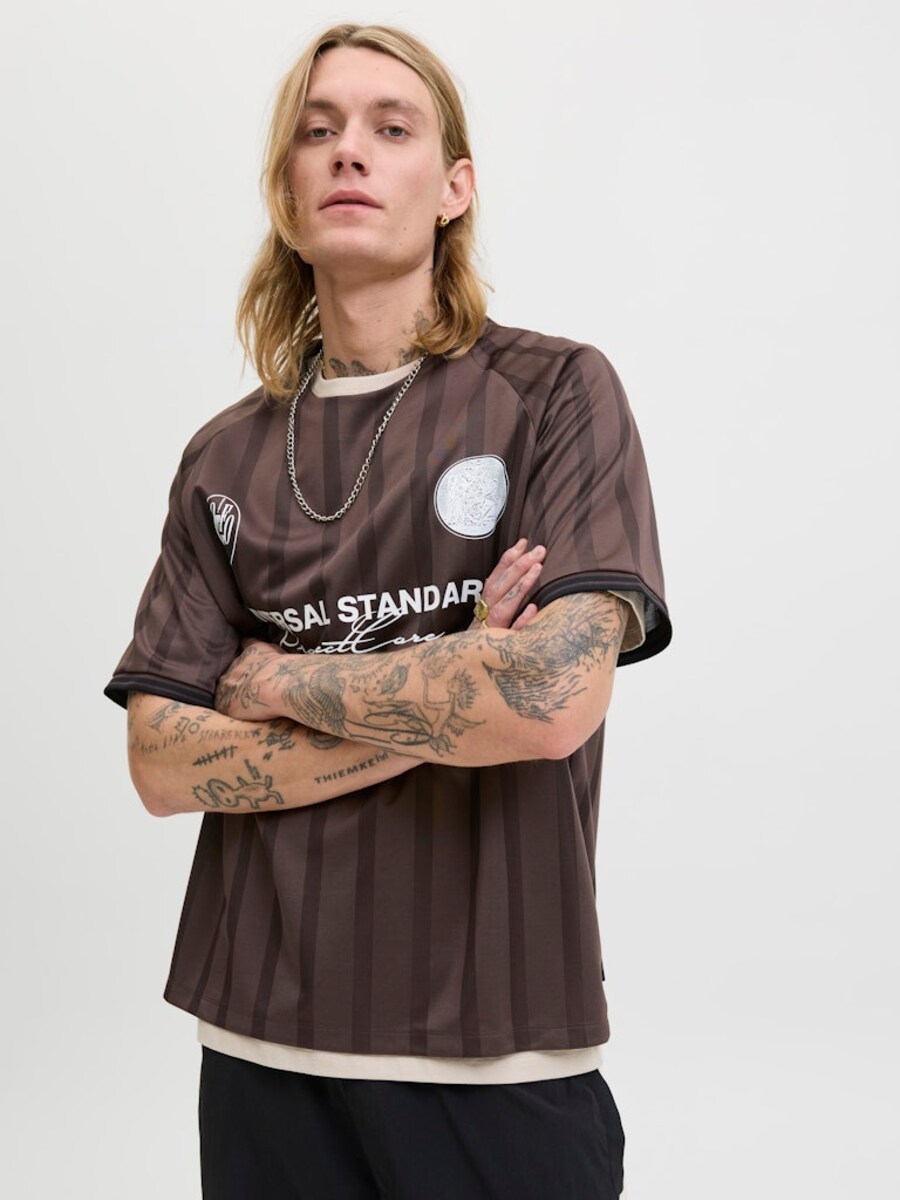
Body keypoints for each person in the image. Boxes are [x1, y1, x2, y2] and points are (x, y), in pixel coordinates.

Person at [106, 22, 671, 1200]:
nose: (347, 150)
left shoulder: (555, 395)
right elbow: (159, 762)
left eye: (390, 127)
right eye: (317, 131)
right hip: (258, 1052)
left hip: (495, 1055)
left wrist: (274, 680)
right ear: (286, 189)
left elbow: (548, 700)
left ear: (455, 187)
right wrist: (455, 677)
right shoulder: (222, 458)